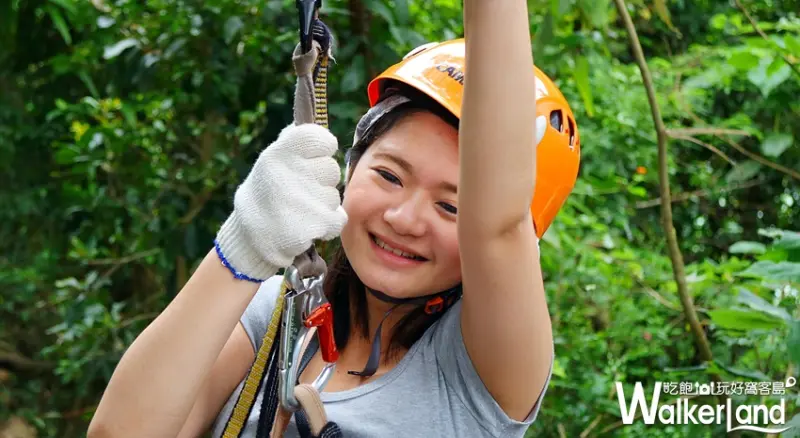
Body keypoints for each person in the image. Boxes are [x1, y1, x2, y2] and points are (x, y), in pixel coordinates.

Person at [87, 1, 581, 437]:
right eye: (389, 175)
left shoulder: (480, 375)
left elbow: (497, 224)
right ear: (350, 166)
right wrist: (241, 250)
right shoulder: (277, 316)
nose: (403, 217)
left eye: (451, 206)